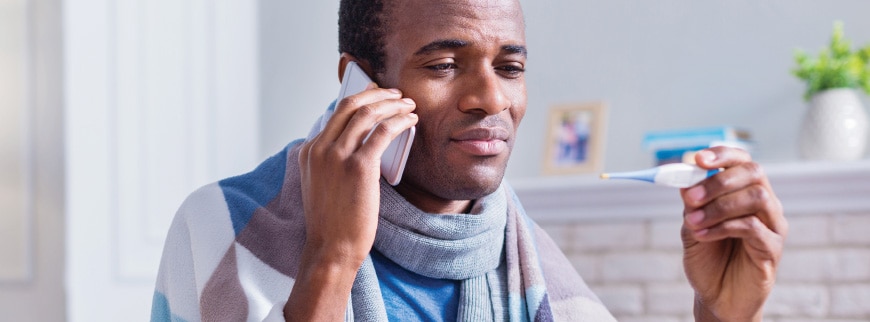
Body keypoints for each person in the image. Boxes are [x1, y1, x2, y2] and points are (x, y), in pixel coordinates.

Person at [151, 0, 788, 321]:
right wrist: (332, 259)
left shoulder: (528, 259)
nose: (491, 99)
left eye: (510, 68)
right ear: (359, 84)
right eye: (444, 64)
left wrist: (724, 317)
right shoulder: (221, 224)